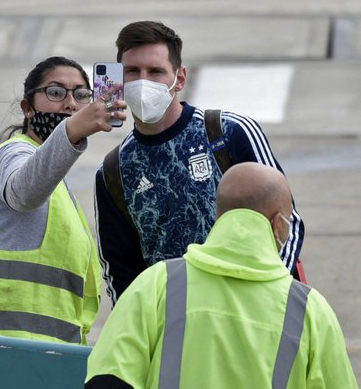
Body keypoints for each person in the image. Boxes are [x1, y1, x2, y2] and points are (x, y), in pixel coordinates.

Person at [86, 162, 358, 389]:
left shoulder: (157, 284)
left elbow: (108, 379)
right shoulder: (309, 311)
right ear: (277, 223)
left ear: (221, 215)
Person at [95, 21, 305, 303]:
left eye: (156, 71)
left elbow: (287, 224)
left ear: (180, 78)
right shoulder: (113, 171)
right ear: (118, 81)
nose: (143, 81)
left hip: (251, 306)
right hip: (177, 324)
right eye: (133, 71)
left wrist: (264, 296)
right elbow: (120, 270)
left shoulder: (229, 132)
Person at [0, 56, 126, 345]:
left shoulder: (55, 179)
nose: (70, 104)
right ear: (27, 108)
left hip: (35, 354)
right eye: (56, 92)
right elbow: (22, 193)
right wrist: (72, 131)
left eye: (81, 95)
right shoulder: (12, 154)